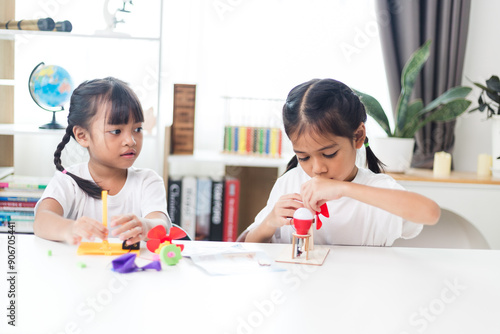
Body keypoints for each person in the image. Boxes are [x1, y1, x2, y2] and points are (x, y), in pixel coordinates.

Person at [244, 78, 440, 246]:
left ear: (358, 136)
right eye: (303, 157)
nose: (317, 168)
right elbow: (244, 246)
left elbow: (430, 213)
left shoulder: (376, 189)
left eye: (329, 154)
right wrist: (269, 223)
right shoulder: (290, 183)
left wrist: (344, 189)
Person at [34, 77, 171, 246]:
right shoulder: (68, 181)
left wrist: (145, 226)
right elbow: (41, 220)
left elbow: (161, 224)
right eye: (116, 131)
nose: (131, 140)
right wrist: (70, 228)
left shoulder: (148, 181)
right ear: (82, 136)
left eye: (137, 129)